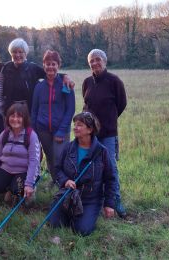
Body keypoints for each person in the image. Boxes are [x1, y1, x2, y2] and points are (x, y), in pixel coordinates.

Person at [49, 112, 117, 236]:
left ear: (90, 129)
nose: (75, 127)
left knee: (81, 231)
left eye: (79, 125)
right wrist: (65, 181)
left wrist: (109, 204)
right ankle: (69, 213)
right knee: (55, 225)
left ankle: (86, 215)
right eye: (74, 124)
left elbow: (111, 179)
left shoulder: (102, 152)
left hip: (90, 199)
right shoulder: (68, 148)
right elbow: (57, 169)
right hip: (67, 195)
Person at [82, 49, 127, 218]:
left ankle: (115, 201)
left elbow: (121, 104)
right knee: (92, 167)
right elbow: (86, 105)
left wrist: (108, 120)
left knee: (111, 168)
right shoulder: (87, 82)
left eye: (98, 59)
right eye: (91, 61)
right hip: (90, 133)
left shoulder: (114, 81)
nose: (95, 63)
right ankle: (96, 199)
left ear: (105, 61)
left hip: (108, 133)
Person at [31, 50, 75, 183]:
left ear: (58, 66)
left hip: (60, 129)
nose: (50, 67)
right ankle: (55, 181)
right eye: (47, 64)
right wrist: (33, 131)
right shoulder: (39, 86)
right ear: (43, 65)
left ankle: (65, 183)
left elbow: (70, 109)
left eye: (53, 64)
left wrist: (62, 130)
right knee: (50, 157)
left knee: (60, 157)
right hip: (42, 130)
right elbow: (34, 110)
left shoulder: (65, 84)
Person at [1, 38, 74, 113]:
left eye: (20, 52)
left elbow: (50, 73)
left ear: (25, 53)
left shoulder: (32, 68)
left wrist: (65, 76)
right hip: (9, 110)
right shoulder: (5, 67)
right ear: (11, 53)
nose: (17, 55)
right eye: (14, 52)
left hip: (28, 110)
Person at [0, 103, 41, 203]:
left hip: (23, 171)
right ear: (8, 118)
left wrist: (29, 184)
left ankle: (29, 191)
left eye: (19, 116)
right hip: (6, 169)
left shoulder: (31, 135)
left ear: (24, 118)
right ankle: (10, 189)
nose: (15, 119)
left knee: (17, 189)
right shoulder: (4, 134)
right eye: (12, 116)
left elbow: (34, 161)